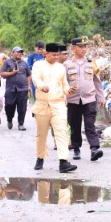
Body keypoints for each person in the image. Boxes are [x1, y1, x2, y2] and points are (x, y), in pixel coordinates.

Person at [31, 43, 76, 173]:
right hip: (42, 104)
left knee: (62, 132)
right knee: (41, 134)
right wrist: (40, 85)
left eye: (58, 55)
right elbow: (36, 78)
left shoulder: (61, 68)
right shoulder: (38, 65)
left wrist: (69, 90)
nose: (56, 57)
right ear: (46, 53)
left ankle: (63, 161)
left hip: (58, 104)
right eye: (54, 55)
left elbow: (64, 86)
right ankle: (40, 158)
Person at [65, 37, 106, 161]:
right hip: (73, 100)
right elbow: (63, 83)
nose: (83, 49)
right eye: (80, 47)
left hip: (89, 99)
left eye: (85, 47)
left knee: (90, 124)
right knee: (75, 124)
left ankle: (94, 148)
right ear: (73, 48)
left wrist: (101, 97)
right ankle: (76, 148)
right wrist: (63, 96)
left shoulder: (91, 62)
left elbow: (97, 81)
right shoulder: (67, 64)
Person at [1, 46, 31, 131]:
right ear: (12, 53)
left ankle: (21, 124)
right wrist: (11, 73)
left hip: (22, 89)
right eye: (17, 52)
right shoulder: (7, 62)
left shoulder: (24, 63)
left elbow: (29, 75)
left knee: (22, 108)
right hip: (10, 89)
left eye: (20, 52)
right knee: (9, 106)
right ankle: (9, 119)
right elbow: (2, 73)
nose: (19, 53)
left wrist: (28, 86)